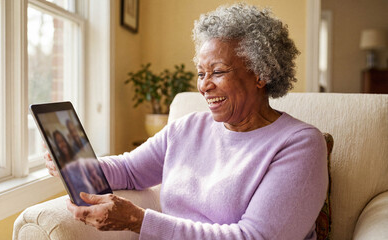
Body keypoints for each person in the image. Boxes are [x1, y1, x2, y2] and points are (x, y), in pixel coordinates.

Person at [45, 3, 328, 239]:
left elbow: (254, 237)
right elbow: (130, 171)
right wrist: (72, 164)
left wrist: (139, 221)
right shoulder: (188, 128)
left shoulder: (299, 144)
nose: (204, 86)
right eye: (201, 73)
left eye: (217, 72)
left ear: (261, 74)